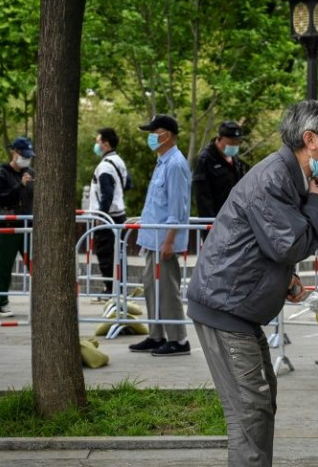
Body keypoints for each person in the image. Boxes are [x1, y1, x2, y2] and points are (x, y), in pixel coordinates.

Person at [186, 100, 318, 466]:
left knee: (261, 402)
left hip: (238, 306)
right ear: (311, 139)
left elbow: (269, 243)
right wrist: (317, 204)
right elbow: (289, 244)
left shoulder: (288, 174)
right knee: (250, 411)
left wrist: (286, 278)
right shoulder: (275, 176)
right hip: (225, 307)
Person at [128, 115, 192, 356]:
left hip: (164, 241)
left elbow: (178, 208)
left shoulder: (175, 164)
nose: (151, 136)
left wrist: (169, 240)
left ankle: (178, 339)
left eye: (154, 132)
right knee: (151, 288)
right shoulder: (163, 161)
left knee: (167, 290)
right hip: (152, 239)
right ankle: (156, 335)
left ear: (167, 134)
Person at [0, 136, 35, 318]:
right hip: (8, 225)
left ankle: (42, 300)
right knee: (4, 266)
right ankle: (2, 302)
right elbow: (0, 197)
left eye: (28, 156)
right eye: (23, 155)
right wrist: (20, 186)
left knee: (35, 263)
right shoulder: (2, 172)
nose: (25, 159)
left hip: (28, 224)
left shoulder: (30, 172)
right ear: (14, 152)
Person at [89, 127, 131, 302]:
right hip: (119, 214)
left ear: (106, 144)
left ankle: (110, 289)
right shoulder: (119, 161)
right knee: (118, 252)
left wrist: (100, 216)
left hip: (108, 217)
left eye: (98, 142)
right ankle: (119, 287)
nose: (97, 145)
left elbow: (106, 194)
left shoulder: (105, 166)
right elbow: (128, 184)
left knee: (105, 253)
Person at [193, 120, 250, 220]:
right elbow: (203, 198)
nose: (234, 146)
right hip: (215, 221)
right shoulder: (206, 159)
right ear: (220, 139)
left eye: (237, 142)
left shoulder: (236, 160)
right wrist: (210, 227)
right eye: (231, 142)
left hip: (235, 220)